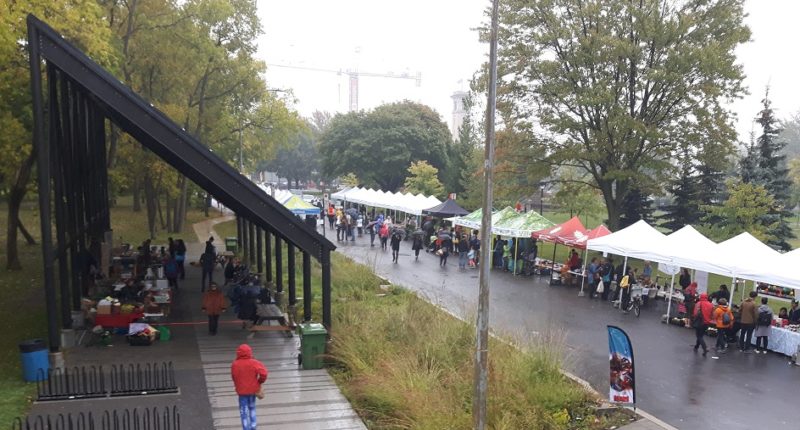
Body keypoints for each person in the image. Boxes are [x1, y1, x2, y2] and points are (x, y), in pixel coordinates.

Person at [230, 344, 268, 430]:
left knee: (243, 412)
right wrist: (259, 382)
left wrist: (238, 385)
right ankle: (253, 426)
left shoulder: (235, 364)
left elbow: (234, 376)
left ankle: (246, 428)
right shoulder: (254, 362)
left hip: (242, 392)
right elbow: (264, 373)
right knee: (252, 408)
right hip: (253, 391)